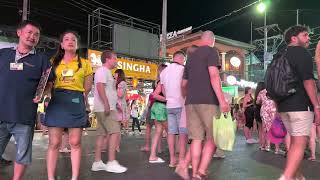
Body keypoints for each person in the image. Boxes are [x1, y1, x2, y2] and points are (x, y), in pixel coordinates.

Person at [0, 20, 52, 180]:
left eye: (36, 35)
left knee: (22, 154)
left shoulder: (42, 59)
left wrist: (43, 94)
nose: (33, 36)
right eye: (29, 32)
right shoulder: (3, 54)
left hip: (24, 116)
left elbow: (48, 82)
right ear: (19, 33)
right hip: (1, 114)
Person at [43, 31, 93, 180]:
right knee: (54, 142)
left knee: (75, 142)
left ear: (77, 45)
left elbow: (87, 87)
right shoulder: (53, 61)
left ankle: (74, 177)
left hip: (76, 101)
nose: (70, 41)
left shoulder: (85, 63)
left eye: (74, 40)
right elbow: (48, 84)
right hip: (57, 101)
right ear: (62, 44)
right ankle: (51, 177)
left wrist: (82, 100)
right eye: (67, 39)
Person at [181, 30, 230, 179]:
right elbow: (214, 75)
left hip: (191, 102)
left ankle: (195, 172)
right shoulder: (211, 52)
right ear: (212, 40)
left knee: (196, 139)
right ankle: (201, 172)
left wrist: (186, 97)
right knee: (213, 138)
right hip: (208, 101)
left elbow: (183, 84)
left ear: (202, 40)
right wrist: (222, 101)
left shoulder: (190, 58)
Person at [277, 25, 320, 180]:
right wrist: (316, 106)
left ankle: (298, 176)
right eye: (305, 35)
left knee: (295, 144)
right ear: (294, 38)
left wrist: (277, 106)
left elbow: (271, 83)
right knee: (300, 143)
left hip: (283, 107)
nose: (308, 38)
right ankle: (286, 177)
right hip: (300, 105)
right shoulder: (302, 53)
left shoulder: (279, 55)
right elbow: (308, 81)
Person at [91, 50, 127, 173]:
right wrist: (106, 104)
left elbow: (108, 91)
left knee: (102, 134)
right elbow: (100, 86)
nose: (116, 61)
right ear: (107, 59)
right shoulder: (102, 71)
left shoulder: (106, 72)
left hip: (104, 107)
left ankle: (97, 162)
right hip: (105, 108)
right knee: (115, 132)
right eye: (115, 58)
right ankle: (111, 162)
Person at [156, 51, 187, 167]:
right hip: (180, 104)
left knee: (171, 132)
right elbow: (185, 85)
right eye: (184, 60)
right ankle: (183, 160)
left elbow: (163, 89)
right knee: (183, 134)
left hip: (169, 105)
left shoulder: (164, 72)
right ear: (181, 58)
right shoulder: (183, 69)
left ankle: (172, 160)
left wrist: (169, 97)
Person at [148, 64, 168, 164]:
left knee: (158, 132)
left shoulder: (157, 81)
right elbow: (154, 95)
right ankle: (174, 157)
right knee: (171, 132)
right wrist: (167, 99)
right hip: (161, 107)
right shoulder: (162, 82)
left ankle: (152, 155)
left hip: (155, 107)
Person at [256, 83, 283, 154]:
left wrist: (264, 102)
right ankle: (277, 149)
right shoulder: (275, 90)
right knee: (276, 128)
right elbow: (279, 100)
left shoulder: (261, 92)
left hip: (264, 111)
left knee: (267, 129)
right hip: (274, 110)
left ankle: (268, 146)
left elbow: (257, 102)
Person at [114, 69, 128, 152]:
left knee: (117, 128)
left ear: (119, 74)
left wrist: (113, 88)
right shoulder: (117, 83)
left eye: (115, 74)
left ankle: (117, 146)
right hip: (115, 106)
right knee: (115, 128)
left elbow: (120, 95)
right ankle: (114, 145)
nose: (114, 75)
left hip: (119, 107)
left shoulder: (122, 83)